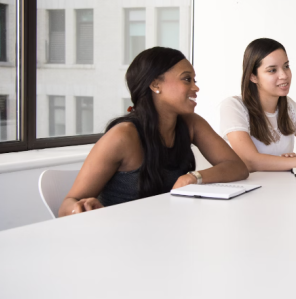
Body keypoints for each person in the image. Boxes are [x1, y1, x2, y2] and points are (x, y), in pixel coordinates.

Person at [59, 47, 249, 216]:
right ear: (155, 84)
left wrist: (193, 177)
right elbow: (66, 206)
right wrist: (80, 208)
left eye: (194, 80)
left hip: (165, 231)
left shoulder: (191, 124)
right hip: (122, 238)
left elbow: (237, 167)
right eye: (186, 79)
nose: (195, 87)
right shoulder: (123, 136)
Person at [220, 38, 296, 172]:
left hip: (284, 187)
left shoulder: (289, 106)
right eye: (272, 70)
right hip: (252, 189)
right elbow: (250, 161)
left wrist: (295, 161)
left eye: (286, 66)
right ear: (253, 77)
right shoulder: (233, 106)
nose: (284, 75)